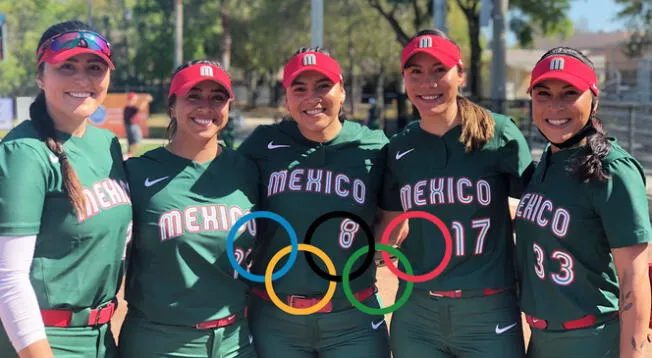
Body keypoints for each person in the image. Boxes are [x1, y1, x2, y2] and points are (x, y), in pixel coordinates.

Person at [380, 29, 533, 358]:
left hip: (488, 309)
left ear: (460, 74)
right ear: (404, 79)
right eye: (416, 73)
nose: (428, 83)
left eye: (439, 71)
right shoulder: (400, 147)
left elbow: (538, 210)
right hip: (416, 312)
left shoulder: (498, 134)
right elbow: (390, 224)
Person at [238, 47, 392, 358]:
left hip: (353, 316)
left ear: (343, 92)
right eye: (300, 88)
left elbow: (395, 217)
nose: (312, 97)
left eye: (323, 86)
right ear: (286, 98)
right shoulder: (262, 144)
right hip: (276, 317)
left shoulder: (374, 147)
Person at [0, 20, 132, 357]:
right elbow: (8, 279)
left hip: (101, 337)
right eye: (66, 67)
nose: (82, 79)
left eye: (94, 67)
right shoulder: (24, 153)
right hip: (44, 340)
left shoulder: (106, 144)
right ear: (41, 76)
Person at [515, 46, 652, 358]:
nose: (555, 106)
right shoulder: (548, 161)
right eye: (543, 93)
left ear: (594, 98)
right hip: (540, 340)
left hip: (593, 340)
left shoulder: (611, 168)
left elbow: (635, 275)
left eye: (569, 93)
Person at [118, 60, 258, 358]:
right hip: (161, 341)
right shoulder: (138, 173)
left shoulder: (247, 171)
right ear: (172, 105)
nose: (205, 106)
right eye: (193, 96)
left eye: (217, 98)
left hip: (236, 341)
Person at [123, 92, 153, 157]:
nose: (136, 100)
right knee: (137, 142)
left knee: (131, 143)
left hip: (129, 126)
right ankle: (129, 155)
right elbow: (140, 108)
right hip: (133, 127)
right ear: (132, 99)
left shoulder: (127, 107)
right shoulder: (130, 107)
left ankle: (128, 155)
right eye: (135, 99)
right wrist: (146, 100)